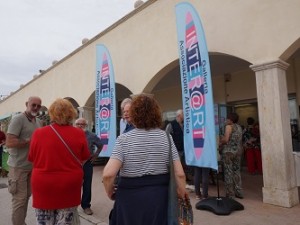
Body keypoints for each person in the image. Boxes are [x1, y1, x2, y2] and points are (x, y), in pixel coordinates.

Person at [103, 94, 187, 225]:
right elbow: (180, 174)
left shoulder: (123, 139)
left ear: (134, 114)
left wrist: (110, 193)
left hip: (128, 199)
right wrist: (181, 195)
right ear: (156, 114)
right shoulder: (167, 138)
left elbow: (108, 175)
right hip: (159, 199)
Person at [28, 98, 90, 225]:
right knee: (65, 221)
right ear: (71, 113)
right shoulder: (79, 133)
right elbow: (85, 157)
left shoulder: (38, 133)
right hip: (68, 185)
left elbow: (32, 158)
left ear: (51, 113)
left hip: (43, 185)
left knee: (44, 222)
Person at [5, 96, 43, 225]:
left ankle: (21, 222)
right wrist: (28, 141)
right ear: (27, 104)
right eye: (33, 105)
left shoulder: (38, 121)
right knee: (19, 200)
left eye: (38, 106)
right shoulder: (18, 119)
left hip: (32, 166)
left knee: (26, 197)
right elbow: (9, 142)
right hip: (18, 166)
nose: (36, 108)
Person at [75, 117, 103, 215]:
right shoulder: (72, 135)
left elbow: (100, 145)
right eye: (78, 124)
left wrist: (95, 155)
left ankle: (86, 205)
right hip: (74, 164)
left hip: (87, 163)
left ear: (86, 126)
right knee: (74, 185)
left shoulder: (91, 135)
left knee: (87, 185)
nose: (80, 126)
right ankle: (73, 205)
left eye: (82, 124)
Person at [219, 112, 243, 199]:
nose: (226, 120)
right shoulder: (239, 127)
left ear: (230, 119)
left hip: (229, 152)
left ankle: (230, 194)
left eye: (227, 118)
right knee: (236, 171)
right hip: (238, 151)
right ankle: (239, 192)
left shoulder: (229, 127)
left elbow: (226, 139)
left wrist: (221, 141)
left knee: (228, 172)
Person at [166, 109, 193, 183]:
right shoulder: (171, 124)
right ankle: (177, 181)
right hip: (176, 150)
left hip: (185, 149)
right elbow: (167, 136)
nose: (184, 117)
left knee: (185, 165)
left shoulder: (185, 124)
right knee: (178, 166)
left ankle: (186, 179)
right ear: (179, 116)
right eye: (183, 115)